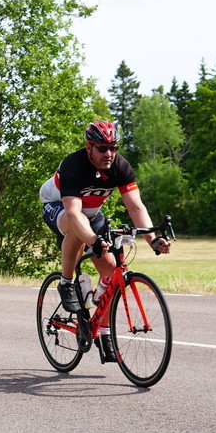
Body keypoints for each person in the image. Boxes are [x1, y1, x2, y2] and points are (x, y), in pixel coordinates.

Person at [39, 121, 171, 360]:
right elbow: (73, 213)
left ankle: (103, 329)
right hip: (58, 208)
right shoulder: (73, 165)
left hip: (90, 214)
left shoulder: (120, 166)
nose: (109, 153)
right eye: (102, 148)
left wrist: (152, 239)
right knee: (77, 232)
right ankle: (67, 282)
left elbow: (135, 206)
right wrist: (93, 240)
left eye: (113, 147)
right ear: (89, 147)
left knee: (111, 271)